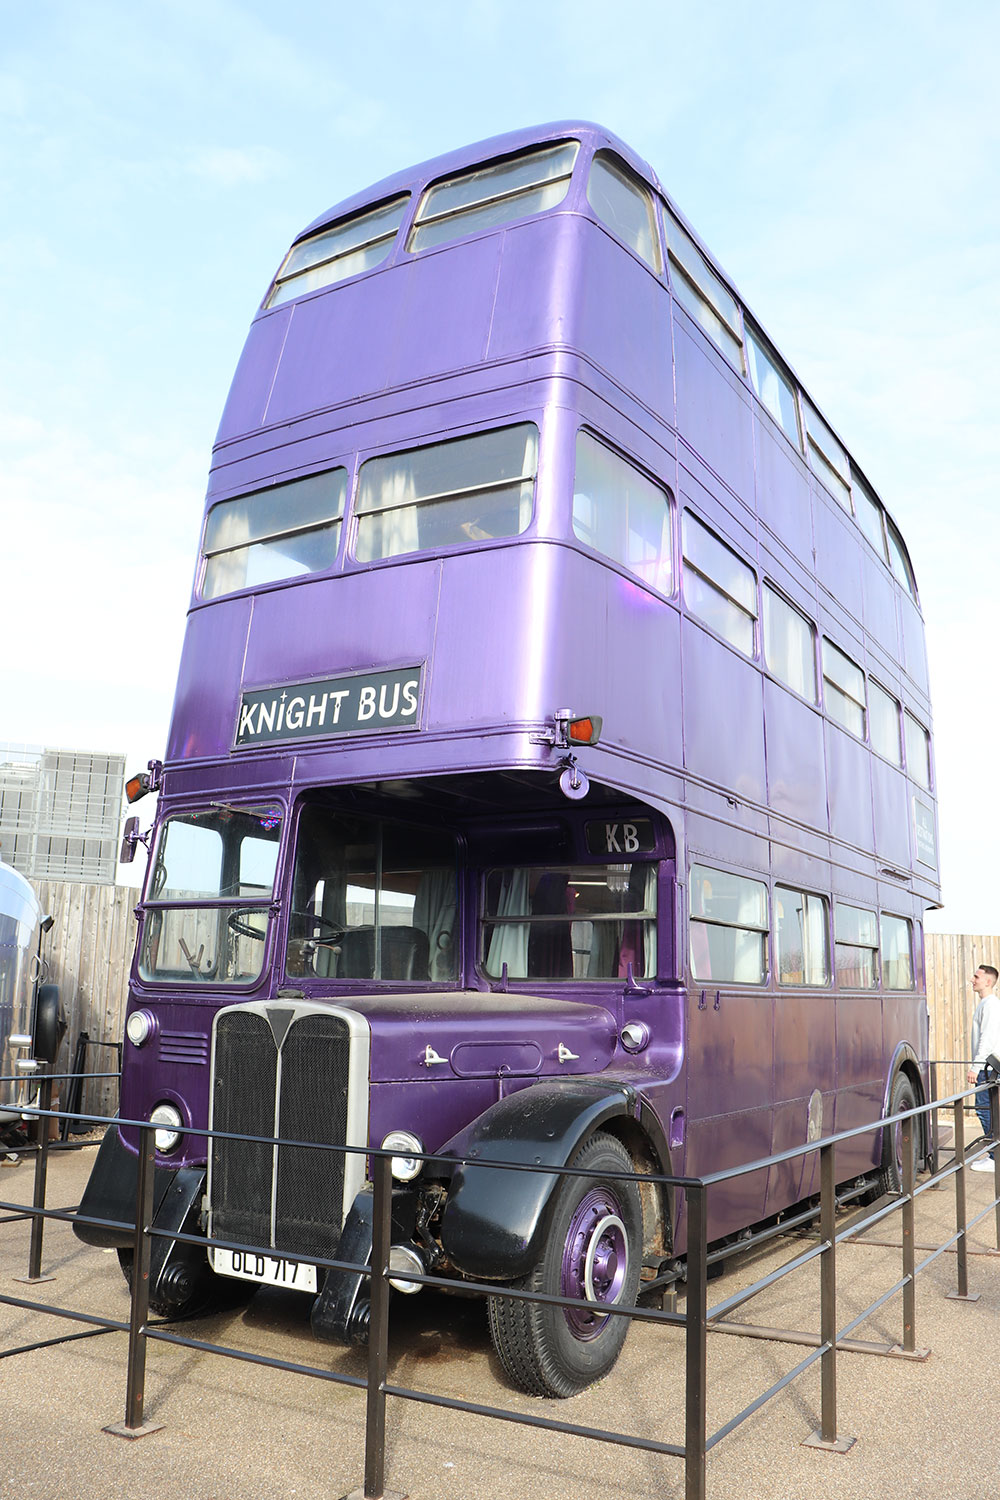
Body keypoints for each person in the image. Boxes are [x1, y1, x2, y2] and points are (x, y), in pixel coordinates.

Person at [967, 964, 1000, 1171]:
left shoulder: (990, 1005)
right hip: (988, 1066)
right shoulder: (987, 1004)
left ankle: (995, 1157)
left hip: (988, 1067)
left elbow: (987, 1040)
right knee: (989, 1109)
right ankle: (994, 1155)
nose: (972, 980)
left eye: (976, 976)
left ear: (988, 981)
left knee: (985, 1109)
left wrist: (975, 1067)